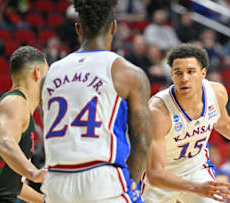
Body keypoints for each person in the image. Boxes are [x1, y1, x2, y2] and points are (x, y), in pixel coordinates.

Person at [40, 0, 152, 202]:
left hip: (56, 180)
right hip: (102, 178)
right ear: (114, 26)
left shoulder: (50, 73)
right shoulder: (127, 73)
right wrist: (132, 186)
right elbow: (142, 143)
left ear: (78, 29)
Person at [143, 44, 230, 203]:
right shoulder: (158, 111)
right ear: (172, 75)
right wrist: (195, 188)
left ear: (203, 73)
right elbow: (155, 174)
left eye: (191, 72)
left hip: (196, 169)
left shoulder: (216, 93)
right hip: (163, 179)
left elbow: (226, 125)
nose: (184, 78)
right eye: (178, 73)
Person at [0, 46, 48, 203]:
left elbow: (11, 184)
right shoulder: (15, 102)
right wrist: (33, 173)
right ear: (37, 72)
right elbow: (6, 145)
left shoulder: (21, 109)